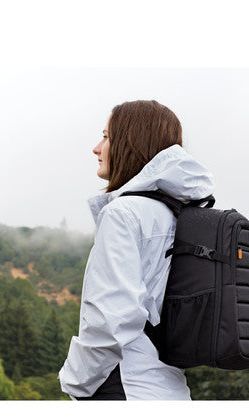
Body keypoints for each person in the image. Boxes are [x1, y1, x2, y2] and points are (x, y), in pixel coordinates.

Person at [58, 100, 214, 400]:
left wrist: (76, 382)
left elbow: (112, 319)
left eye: (107, 137)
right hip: (170, 388)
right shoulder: (180, 215)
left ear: (130, 142)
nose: (96, 148)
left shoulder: (124, 213)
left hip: (124, 385)